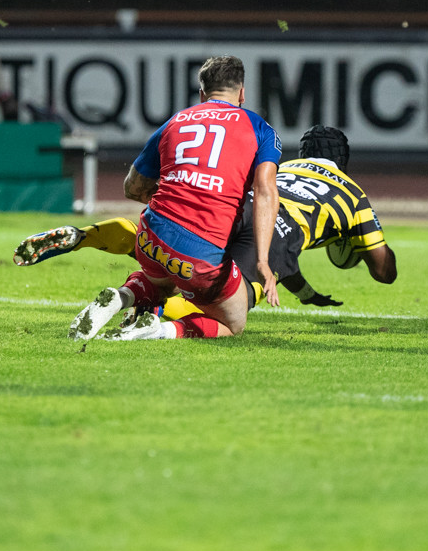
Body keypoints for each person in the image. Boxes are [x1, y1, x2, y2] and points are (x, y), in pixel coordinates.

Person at [16, 125, 397, 321]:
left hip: (236, 207)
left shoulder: (285, 166)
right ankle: (162, 319)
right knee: (231, 306)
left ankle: (87, 237)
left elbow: (284, 258)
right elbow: (384, 271)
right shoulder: (352, 195)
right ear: (344, 161)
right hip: (278, 230)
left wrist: (307, 293)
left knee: (170, 252)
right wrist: (357, 245)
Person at [68, 55, 281, 342]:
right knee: (234, 322)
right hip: (201, 249)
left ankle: (122, 296)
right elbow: (266, 190)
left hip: (150, 235)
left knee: (165, 279)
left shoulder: (175, 121)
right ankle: (160, 330)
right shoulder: (260, 128)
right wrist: (263, 261)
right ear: (242, 93)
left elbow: (131, 187)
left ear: (202, 94)